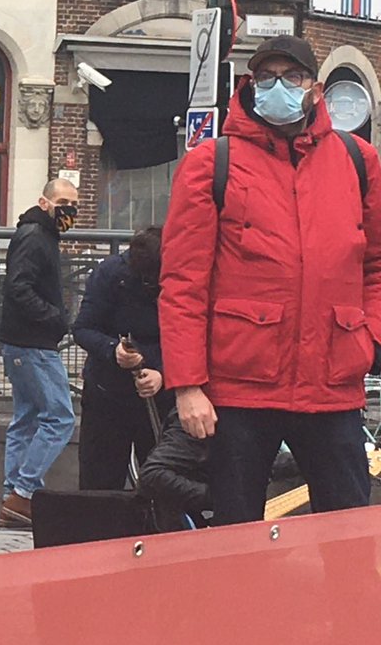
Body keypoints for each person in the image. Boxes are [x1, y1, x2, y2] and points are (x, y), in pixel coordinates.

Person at [160, 34, 381, 525]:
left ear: (317, 90)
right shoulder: (211, 162)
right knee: (235, 542)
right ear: (250, 84)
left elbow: (376, 265)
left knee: (347, 536)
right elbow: (182, 283)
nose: (277, 86)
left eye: (292, 76)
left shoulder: (357, 161)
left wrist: (370, 337)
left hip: (332, 384)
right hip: (241, 389)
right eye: (266, 77)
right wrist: (188, 386)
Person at [0, 179, 80, 529]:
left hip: (22, 340)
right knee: (60, 418)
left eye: (73, 203)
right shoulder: (35, 237)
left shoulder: (37, 234)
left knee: (27, 418)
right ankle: (24, 492)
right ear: (44, 202)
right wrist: (54, 317)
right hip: (34, 342)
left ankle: (12, 498)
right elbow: (18, 286)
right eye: (63, 202)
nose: (69, 210)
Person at [73, 226, 172, 490]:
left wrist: (162, 370)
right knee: (99, 483)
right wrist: (112, 349)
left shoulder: (178, 277)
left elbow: (191, 336)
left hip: (161, 397)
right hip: (108, 393)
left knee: (164, 484)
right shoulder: (109, 273)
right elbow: (82, 329)